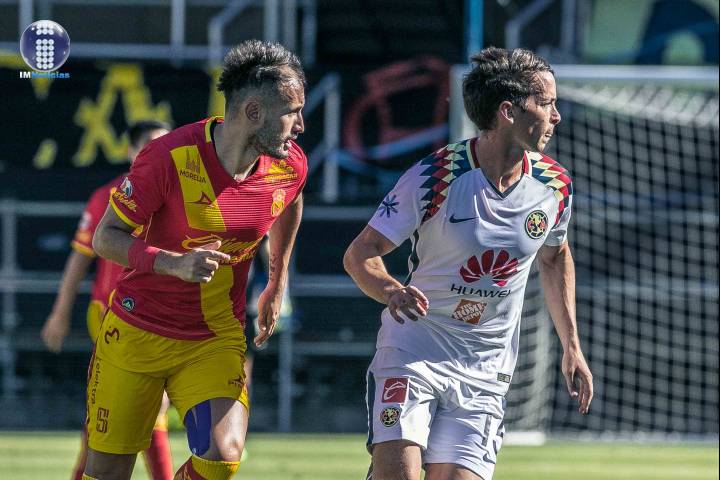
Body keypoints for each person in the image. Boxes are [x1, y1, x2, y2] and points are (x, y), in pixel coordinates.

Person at [344, 47, 594, 480]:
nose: (556, 116)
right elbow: (359, 254)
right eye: (546, 103)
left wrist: (572, 345)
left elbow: (555, 258)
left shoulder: (555, 185)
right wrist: (391, 290)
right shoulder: (434, 177)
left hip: (486, 370)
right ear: (508, 111)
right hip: (414, 352)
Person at [83, 39, 307, 480]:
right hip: (136, 331)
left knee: (222, 456)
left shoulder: (290, 164)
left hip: (214, 336)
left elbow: (291, 201)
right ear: (253, 112)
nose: (300, 125)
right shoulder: (167, 157)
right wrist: (173, 263)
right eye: (292, 112)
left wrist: (277, 281)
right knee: (107, 472)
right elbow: (105, 238)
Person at [41, 120, 173, 480]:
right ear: (131, 152)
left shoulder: (183, 196)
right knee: (145, 408)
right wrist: (60, 312)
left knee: (110, 412)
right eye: (149, 145)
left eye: (165, 145)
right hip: (112, 315)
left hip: (165, 317)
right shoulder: (110, 195)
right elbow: (80, 258)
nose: (159, 153)